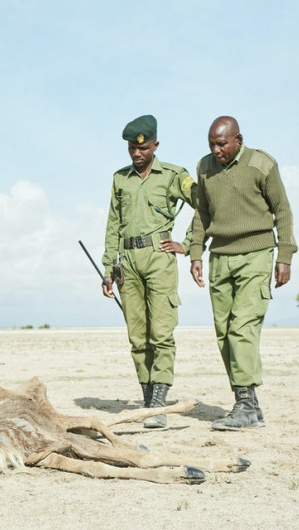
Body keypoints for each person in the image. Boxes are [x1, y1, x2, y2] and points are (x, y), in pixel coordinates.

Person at [189, 116, 297, 431]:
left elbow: (282, 210)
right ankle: (249, 404)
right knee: (224, 333)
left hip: (256, 255)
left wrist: (284, 255)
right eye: (211, 143)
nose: (216, 149)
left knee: (242, 328)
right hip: (219, 257)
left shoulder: (262, 164)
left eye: (221, 143)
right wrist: (196, 251)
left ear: (238, 139)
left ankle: (245, 406)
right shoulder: (204, 166)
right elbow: (202, 212)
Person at [101, 115, 197, 429]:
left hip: (159, 257)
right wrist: (108, 269)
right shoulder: (120, 179)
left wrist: (188, 243)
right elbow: (113, 224)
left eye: (143, 148)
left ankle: (158, 403)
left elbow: (204, 204)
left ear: (155, 145)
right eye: (132, 148)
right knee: (137, 336)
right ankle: (147, 399)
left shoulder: (173, 175)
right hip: (127, 261)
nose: (137, 153)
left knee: (161, 333)